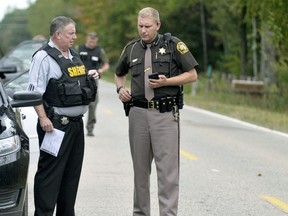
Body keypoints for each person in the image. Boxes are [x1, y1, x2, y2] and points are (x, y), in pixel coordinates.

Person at [115, 7, 198, 216]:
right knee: (140, 173)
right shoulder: (132, 48)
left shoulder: (173, 45)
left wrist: (167, 82)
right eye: (140, 26)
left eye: (147, 27)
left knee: (167, 173)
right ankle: (140, 213)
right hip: (138, 114)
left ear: (158, 25)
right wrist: (120, 89)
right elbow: (119, 74)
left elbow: (192, 75)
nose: (143, 31)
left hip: (164, 114)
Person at [27, 16, 98, 216]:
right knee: (50, 176)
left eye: (74, 33)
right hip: (55, 126)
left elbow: (76, 84)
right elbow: (34, 93)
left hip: (76, 126)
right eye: (71, 33)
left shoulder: (72, 54)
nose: (75, 37)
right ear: (58, 35)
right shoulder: (43, 57)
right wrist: (43, 118)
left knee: (71, 176)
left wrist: (90, 77)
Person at [78, 32, 110, 136]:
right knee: (76, 102)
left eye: (94, 41)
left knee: (92, 104)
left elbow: (106, 64)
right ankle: (75, 127)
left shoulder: (99, 51)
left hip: (93, 79)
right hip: (79, 78)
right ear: (87, 39)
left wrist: (100, 71)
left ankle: (90, 128)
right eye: (90, 40)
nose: (92, 42)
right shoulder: (79, 48)